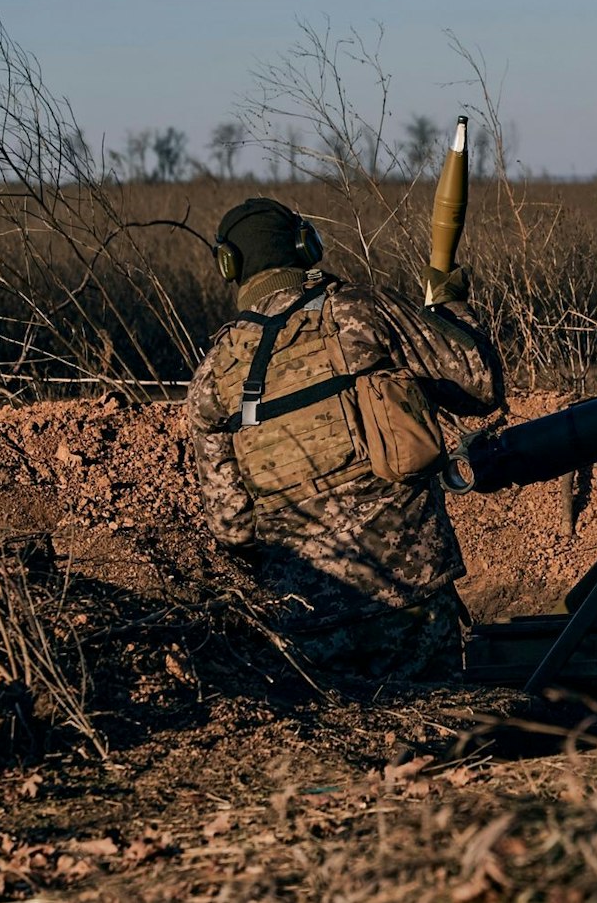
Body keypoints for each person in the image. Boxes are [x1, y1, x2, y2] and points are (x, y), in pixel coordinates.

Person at [186, 197, 503, 681]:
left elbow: (232, 528)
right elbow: (479, 384)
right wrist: (449, 304)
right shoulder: (360, 310)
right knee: (441, 717)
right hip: (409, 589)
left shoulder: (213, 376)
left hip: (305, 616)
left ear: (229, 265)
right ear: (305, 245)